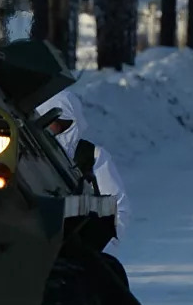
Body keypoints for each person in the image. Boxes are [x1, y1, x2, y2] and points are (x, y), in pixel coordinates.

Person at [36, 88, 130, 250]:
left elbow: (118, 208)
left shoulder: (91, 155)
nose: (50, 129)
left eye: (56, 123)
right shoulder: (29, 154)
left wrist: (100, 248)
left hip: (81, 250)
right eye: (46, 123)